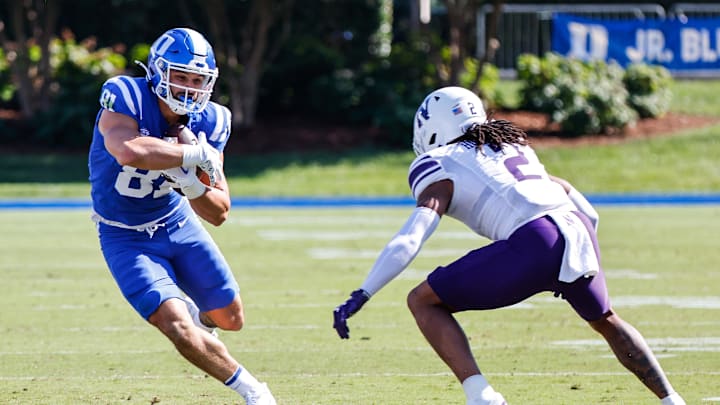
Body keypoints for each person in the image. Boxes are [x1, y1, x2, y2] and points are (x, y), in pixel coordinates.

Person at [332, 86, 686, 405]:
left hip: (535, 241)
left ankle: (482, 396)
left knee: (422, 301)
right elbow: (587, 212)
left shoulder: (439, 162)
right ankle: (671, 400)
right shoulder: (510, 144)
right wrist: (572, 263)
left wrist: (364, 291)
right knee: (606, 319)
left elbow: (413, 235)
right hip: (576, 231)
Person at [88, 27, 276, 405]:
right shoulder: (127, 97)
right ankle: (256, 394)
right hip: (125, 236)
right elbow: (129, 151)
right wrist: (191, 156)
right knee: (178, 327)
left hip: (177, 222)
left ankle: (203, 323)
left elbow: (219, 211)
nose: (189, 88)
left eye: (197, 80)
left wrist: (191, 185)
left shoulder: (211, 121)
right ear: (158, 72)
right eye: (180, 76)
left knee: (230, 319)